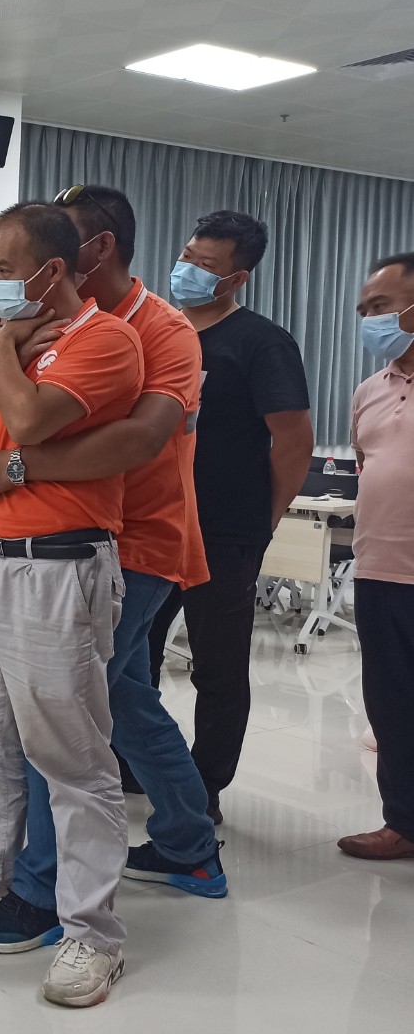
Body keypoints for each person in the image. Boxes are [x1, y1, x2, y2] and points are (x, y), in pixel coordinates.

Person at [0, 185, 225, 956]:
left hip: (130, 543)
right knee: (118, 699)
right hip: (36, 540)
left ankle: (43, 891)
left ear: (89, 250)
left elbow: (139, 441)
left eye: (44, 244)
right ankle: (187, 840)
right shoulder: (34, 326)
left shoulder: (156, 330)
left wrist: (11, 465)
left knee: (59, 724)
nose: (17, 268)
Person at [0, 201, 144, 1008]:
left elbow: (32, 418)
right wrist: (0, 352)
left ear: (52, 270)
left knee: (71, 757)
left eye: (3, 270)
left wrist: (2, 362)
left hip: (58, 566)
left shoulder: (105, 339)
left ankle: (91, 933)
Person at [146, 210, 314, 825]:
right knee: (135, 653)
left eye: (206, 265)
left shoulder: (260, 343)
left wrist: (263, 522)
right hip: (154, 521)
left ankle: (205, 787)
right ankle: (140, 764)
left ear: (236, 278)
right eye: (187, 256)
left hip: (224, 528)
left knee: (216, 664)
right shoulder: (160, 332)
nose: (187, 270)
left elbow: (293, 441)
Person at [338, 252, 414, 862]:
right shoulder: (369, 390)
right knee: (391, 704)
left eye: (382, 307)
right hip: (379, 569)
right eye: (365, 310)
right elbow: (368, 469)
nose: (371, 320)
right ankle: (403, 823)